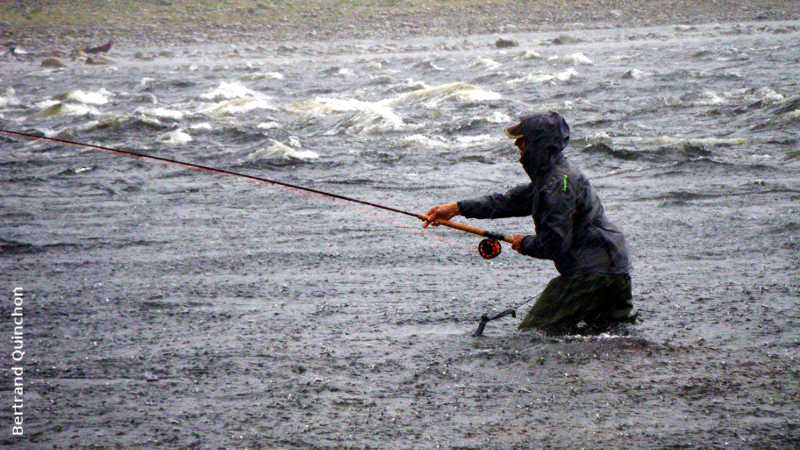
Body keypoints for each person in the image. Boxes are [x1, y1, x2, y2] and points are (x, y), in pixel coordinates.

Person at [423, 111, 637, 334]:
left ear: (537, 144)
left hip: (592, 274)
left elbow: (554, 244)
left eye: (522, 139)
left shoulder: (556, 185)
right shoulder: (554, 175)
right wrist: (456, 208)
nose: (516, 143)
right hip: (616, 268)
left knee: (534, 334)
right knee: (613, 335)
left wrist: (525, 243)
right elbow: (509, 202)